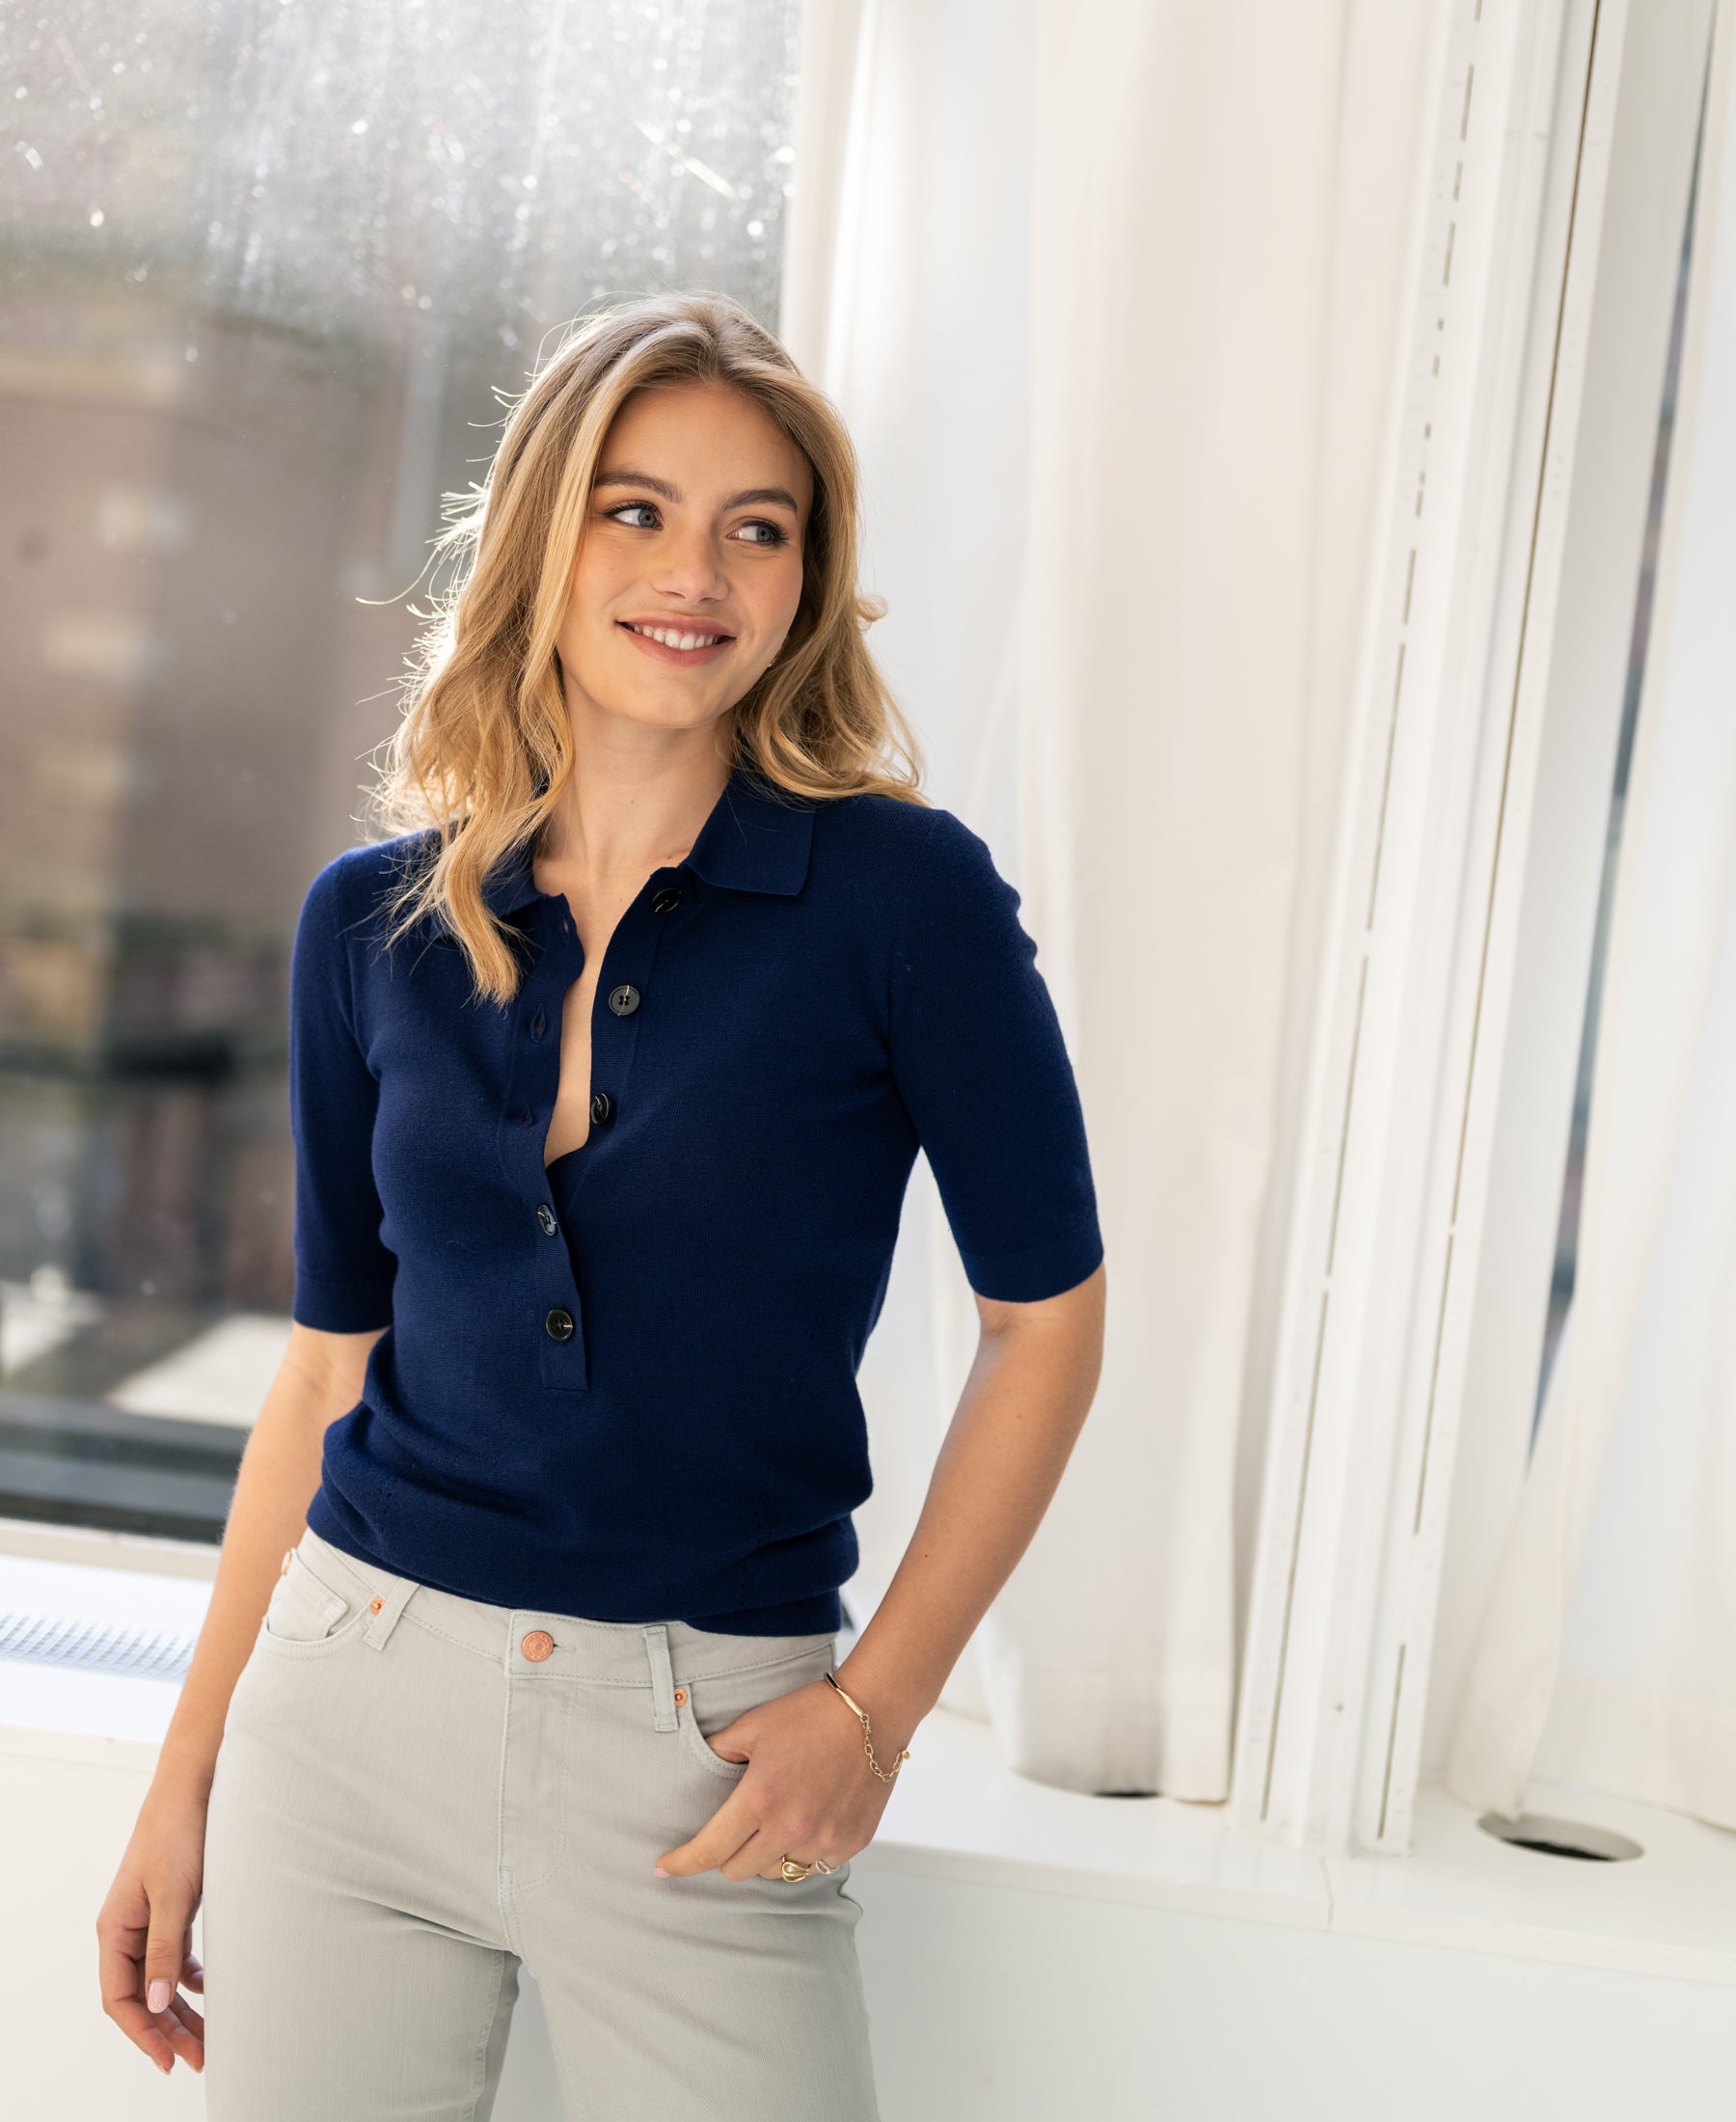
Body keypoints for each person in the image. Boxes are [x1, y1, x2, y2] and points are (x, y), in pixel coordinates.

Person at [95, 290, 1106, 2120]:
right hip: (350, 1704)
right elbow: (327, 1370)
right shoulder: (371, 922)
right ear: (544, 537)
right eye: (635, 509)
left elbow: (1047, 1327)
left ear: (807, 580)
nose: (693, 572)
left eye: (756, 527)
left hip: (710, 1747)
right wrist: (189, 1772)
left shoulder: (903, 900)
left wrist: (872, 1715)